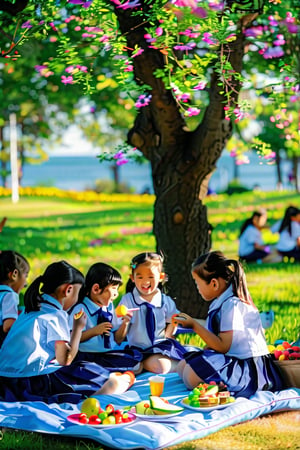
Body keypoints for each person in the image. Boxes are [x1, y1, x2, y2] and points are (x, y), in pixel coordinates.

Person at [0, 261, 135, 404]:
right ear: (68, 290)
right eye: (78, 294)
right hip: (30, 382)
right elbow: (66, 359)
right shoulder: (55, 315)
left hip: (5, 380)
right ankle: (118, 382)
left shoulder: (33, 306)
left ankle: (115, 379)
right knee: (97, 379)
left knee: (84, 370)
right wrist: (77, 328)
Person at [175, 251, 284, 398]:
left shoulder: (232, 305)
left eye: (197, 283)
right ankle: (215, 380)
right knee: (182, 366)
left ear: (214, 283)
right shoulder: (222, 301)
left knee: (190, 376)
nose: (197, 289)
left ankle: (221, 385)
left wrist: (194, 325)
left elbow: (223, 346)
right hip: (232, 358)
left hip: (248, 369)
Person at [118, 252, 186, 374]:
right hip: (137, 349)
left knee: (165, 365)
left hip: (160, 347)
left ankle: (183, 367)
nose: (145, 282)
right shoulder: (127, 300)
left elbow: (174, 319)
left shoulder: (165, 301)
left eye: (151, 277)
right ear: (132, 278)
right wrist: (125, 323)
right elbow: (118, 337)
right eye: (140, 277)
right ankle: (140, 364)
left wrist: (169, 334)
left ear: (160, 277)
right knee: (129, 364)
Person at [69, 262, 143, 373]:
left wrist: (125, 324)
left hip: (106, 354)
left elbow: (117, 339)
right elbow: (71, 338)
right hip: (87, 356)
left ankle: (110, 373)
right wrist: (94, 331)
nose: (116, 294)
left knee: (138, 361)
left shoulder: (108, 307)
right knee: (133, 368)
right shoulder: (80, 309)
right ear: (96, 289)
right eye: (113, 288)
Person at [0, 250, 30, 347]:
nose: (25, 283)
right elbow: (8, 326)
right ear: (14, 274)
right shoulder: (9, 295)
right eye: (26, 275)